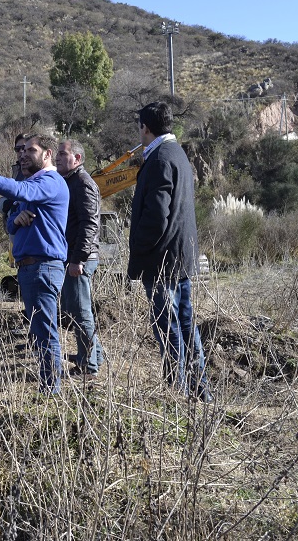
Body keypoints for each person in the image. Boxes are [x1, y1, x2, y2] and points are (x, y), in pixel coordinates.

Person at [0, 134, 69, 394]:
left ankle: (51, 392)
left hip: (43, 268)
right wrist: (16, 221)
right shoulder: (35, 184)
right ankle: (49, 389)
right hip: (31, 268)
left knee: (45, 333)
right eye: (22, 150)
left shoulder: (50, 182)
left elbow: (20, 191)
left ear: (48, 154)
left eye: (31, 150)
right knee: (40, 332)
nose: (23, 155)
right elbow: (11, 222)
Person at [128, 102, 212, 402]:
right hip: (180, 257)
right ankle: (200, 393)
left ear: (145, 128)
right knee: (186, 327)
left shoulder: (160, 158)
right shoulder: (177, 154)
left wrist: (137, 246)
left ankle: (177, 394)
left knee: (169, 329)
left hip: (162, 260)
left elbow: (157, 217)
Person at [55, 139, 105, 378]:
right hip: (74, 256)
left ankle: (88, 367)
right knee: (76, 310)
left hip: (80, 258)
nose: (57, 157)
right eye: (57, 154)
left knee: (81, 311)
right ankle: (95, 356)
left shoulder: (83, 183)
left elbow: (90, 224)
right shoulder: (70, 182)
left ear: (77, 159)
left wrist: (78, 259)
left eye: (63, 154)